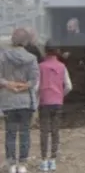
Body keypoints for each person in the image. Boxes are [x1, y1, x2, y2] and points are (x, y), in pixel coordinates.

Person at [0, 28, 40, 173]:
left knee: (10, 132)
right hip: (25, 101)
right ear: (26, 41)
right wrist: (22, 86)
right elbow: (34, 80)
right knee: (24, 132)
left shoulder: (2, 57)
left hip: (8, 100)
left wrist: (9, 84)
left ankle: (11, 164)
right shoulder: (32, 58)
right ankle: (22, 164)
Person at [38, 40, 72, 172]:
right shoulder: (62, 66)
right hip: (57, 102)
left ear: (45, 51)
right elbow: (69, 86)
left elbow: (36, 86)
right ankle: (52, 160)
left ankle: (43, 160)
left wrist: (37, 100)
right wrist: (60, 95)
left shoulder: (41, 66)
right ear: (58, 52)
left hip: (44, 102)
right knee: (55, 131)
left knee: (44, 131)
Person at [57, 18, 85, 128]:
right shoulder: (65, 39)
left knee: (80, 95)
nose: (68, 29)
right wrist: (62, 55)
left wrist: (82, 59)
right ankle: (68, 119)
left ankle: (81, 119)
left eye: (70, 27)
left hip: (80, 72)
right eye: (67, 27)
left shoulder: (83, 38)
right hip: (68, 71)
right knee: (69, 95)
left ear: (76, 26)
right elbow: (60, 51)